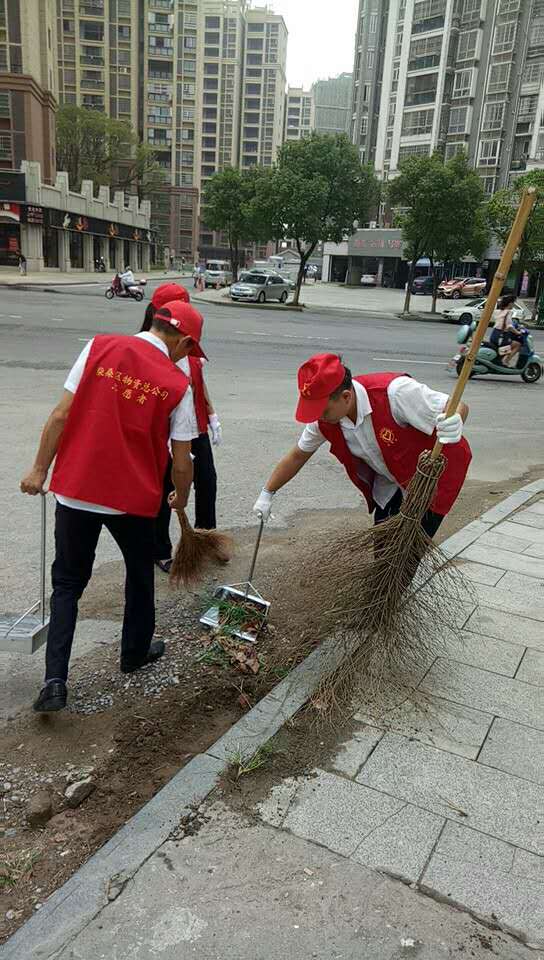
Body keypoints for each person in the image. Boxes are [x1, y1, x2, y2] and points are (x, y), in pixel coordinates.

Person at [20, 301, 207, 713]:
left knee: (67, 584)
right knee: (140, 576)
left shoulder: (98, 347)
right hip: (133, 501)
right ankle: (134, 653)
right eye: (189, 351)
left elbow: (60, 416)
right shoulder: (178, 386)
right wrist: (182, 497)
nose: (186, 359)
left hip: (76, 490)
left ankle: (55, 682)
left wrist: (38, 470)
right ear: (185, 340)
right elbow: (182, 460)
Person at [253, 353, 471, 540]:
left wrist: (456, 420)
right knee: (383, 549)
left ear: (346, 397)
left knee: (409, 553)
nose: (318, 417)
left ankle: (396, 589)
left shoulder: (394, 393)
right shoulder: (325, 421)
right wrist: (267, 493)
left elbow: (456, 406)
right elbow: (298, 455)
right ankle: (385, 589)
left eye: (323, 411)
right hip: (390, 483)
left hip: (431, 481)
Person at [143, 283, 222, 572]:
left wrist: (212, 415)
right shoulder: (149, 348)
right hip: (164, 432)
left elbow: (199, 385)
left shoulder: (188, 343)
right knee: (165, 489)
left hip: (194, 424)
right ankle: (160, 549)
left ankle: (205, 538)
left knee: (207, 481)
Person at [491, 294, 523, 367]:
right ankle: (505, 361)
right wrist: (518, 332)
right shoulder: (508, 312)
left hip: (495, 334)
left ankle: (498, 361)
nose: (514, 304)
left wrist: (516, 326)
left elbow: (502, 322)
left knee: (502, 349)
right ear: (510, 303)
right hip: (501, 336)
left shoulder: (499, 311)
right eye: (513, 303)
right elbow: (509, 326)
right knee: (517, 345)